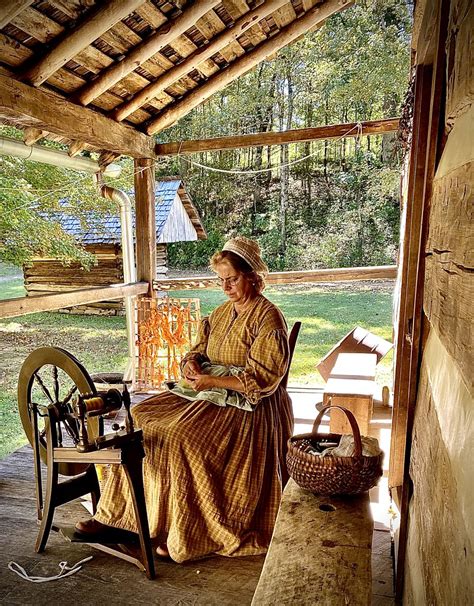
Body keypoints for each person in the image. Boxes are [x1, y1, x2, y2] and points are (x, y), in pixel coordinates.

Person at [76, 236, 294, 562]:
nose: (225, 287)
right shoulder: (221, 314)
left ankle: (177, 531)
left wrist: (211, 379)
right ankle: (121, 517)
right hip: (208, 392)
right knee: (140, 419)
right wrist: (191, 363)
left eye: (232, 279)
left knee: (182, 437)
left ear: (252, 276)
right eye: (221, 280)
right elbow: (197, 351)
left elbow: (262, 381)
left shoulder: (268, 319)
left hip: (246, 406)